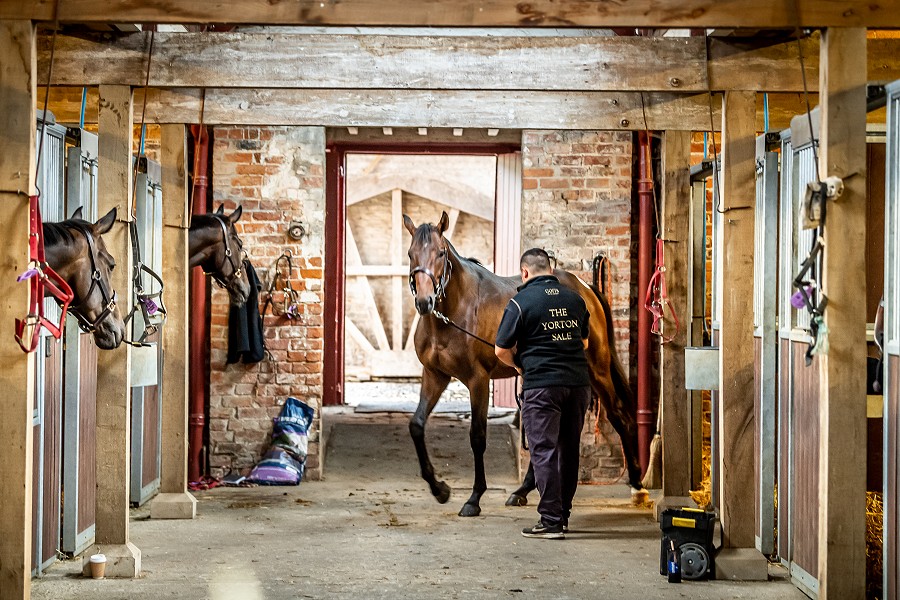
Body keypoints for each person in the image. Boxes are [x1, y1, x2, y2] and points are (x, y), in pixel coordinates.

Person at [495, 248, 591, 540]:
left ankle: (550, 521)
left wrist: (521, 367)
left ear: (524, 272)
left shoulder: (520, 303)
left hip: (542, 386)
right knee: (568, 450)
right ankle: (562, 516)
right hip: (577, 385)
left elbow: (501, 350)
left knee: (544, 451)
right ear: (550, 269)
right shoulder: (575, 299)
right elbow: (584, 343)